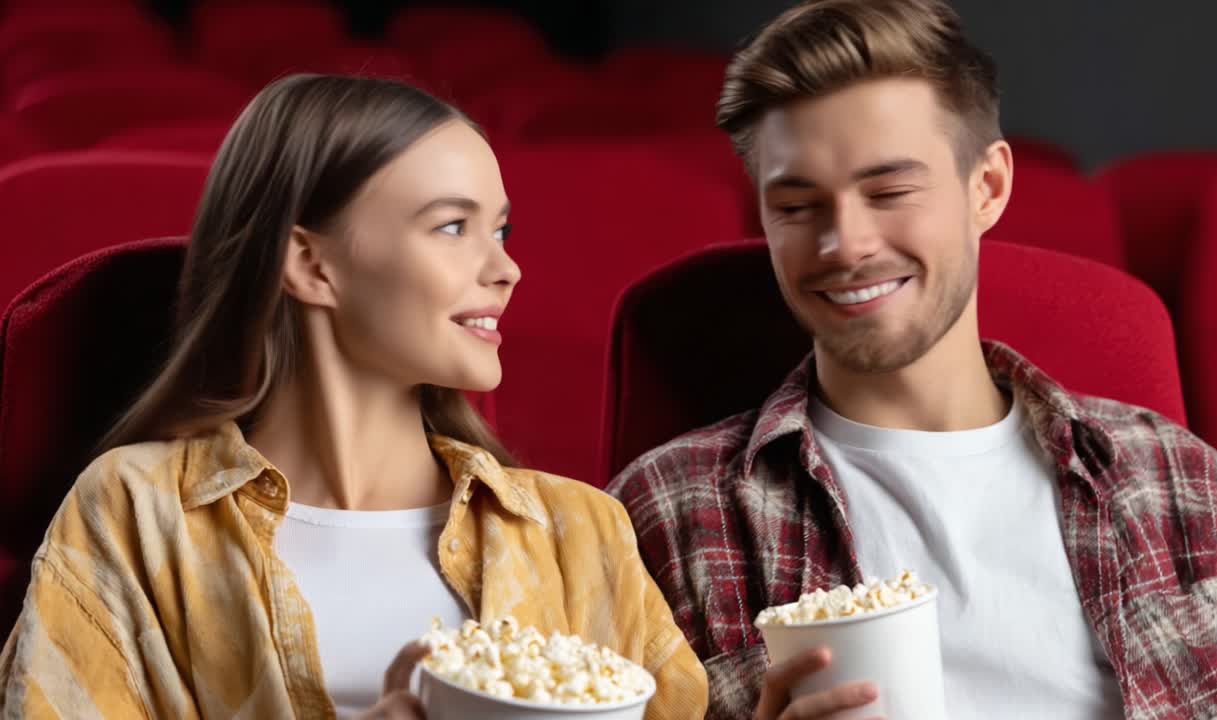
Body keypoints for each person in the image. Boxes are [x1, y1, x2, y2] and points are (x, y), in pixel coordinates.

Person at [607, 1, 1217, 719]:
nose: (846, 243)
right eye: (798, 207)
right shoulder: (662, 518)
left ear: (986, 187)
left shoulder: (1194, 496)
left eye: (890, 191)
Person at [0, 74, 707, 719]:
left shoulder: (582, 531)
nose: (507, 268)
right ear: (311, 265)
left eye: (501, 230)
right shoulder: (136, 512)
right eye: (453, 227)